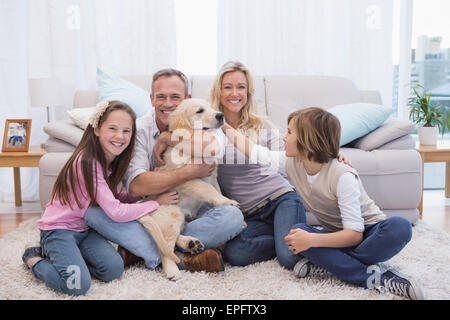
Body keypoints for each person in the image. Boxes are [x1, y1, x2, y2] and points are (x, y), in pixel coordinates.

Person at [228, 106, 423, 300]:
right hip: (336, 235)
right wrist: (222, 125)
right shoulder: (291, 163)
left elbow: (354, 235)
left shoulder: (342, 175)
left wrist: (313, 241)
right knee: (298, 232)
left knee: (401, 227)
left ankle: (369, 276)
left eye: (289, 132)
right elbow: (254, 151)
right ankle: (341, 264)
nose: (284, 138)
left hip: (370, 232)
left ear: (307, 140)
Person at [83, 68, 244, 272]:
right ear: (151, 99)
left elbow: (211, 148)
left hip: (198, 210)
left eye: (175, 97)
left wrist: (167, 138)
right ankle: (185, 255)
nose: (168, 104)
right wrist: (188, 173)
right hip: (157, 207)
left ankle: (151, 247)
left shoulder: (207, 120)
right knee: (97, 213)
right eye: (161, 97)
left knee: (232, 217)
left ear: (188, 99)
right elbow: (137, 185)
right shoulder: (138, 129)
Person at [22, 101, 177, 296]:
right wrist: (155, 203)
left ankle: (73, 260)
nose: (119, 136)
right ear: (96, 129)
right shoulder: (87, 162)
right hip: (59, 230)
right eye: (112, 128)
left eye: (126, 131)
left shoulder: (108, 162)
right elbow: (115, 211)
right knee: (76, 285)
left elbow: (113, 198)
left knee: (112, 269)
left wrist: (140, 194)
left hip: (85, 230)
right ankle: (33, 258)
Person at [209, 61, 306, 269]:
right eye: (228, 87)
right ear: (219, 91)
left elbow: (285, 166)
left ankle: (292, 238)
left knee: (289, 259)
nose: (234, 93)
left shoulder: (263, 127)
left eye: (241, 87)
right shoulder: (209, 130)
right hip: (249, 214)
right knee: (236, 253)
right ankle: (284, 236)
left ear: (248, 91)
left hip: (281, 200)